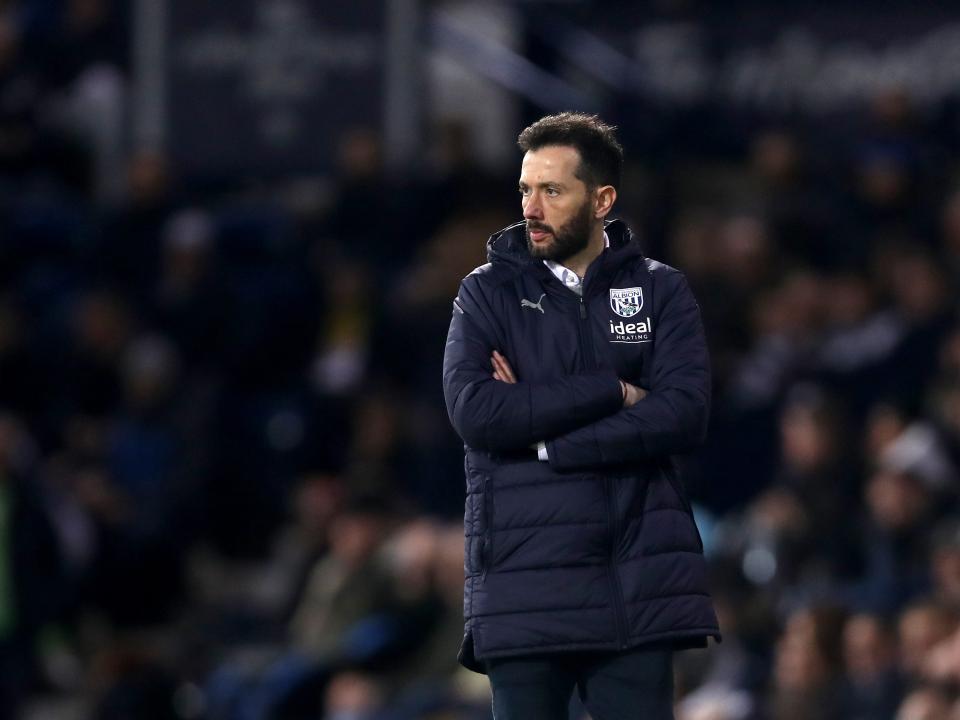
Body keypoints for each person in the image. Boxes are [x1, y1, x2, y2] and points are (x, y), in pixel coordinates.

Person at [442, 112, 719, 719]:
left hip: (635, 583)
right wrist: (614, 391)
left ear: (602, 199)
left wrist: (548, 443)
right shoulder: (485, 293)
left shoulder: (661, 291)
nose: (532, 208)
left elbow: (682, 415)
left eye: (552, 190)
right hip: (522, 584)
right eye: (525, 190)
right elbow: (479, 412)